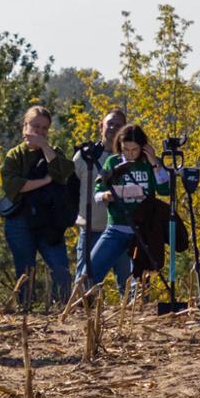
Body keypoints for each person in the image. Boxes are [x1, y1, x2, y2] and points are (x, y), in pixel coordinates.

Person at [0, 106, 74, 310]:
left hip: (49, 222)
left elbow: (63, 174)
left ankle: (63, 308)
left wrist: (45, 147)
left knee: (60, 269)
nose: (39, 132)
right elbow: (14, 186)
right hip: (20, 221)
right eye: (35, 126)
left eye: (44, 128)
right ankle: (26, 310)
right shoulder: (15, 155)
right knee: (25, 270)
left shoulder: (54, 152)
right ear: (25, 127)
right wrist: (45, 180)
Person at [84, 124, 169, 298]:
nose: (130, 153)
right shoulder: (113, 162)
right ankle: (86, 302)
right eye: (126, 149)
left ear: (143, 147)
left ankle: (136, 309)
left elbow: (165, 189)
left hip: (144, 229)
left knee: (139, 278)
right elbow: (97, 193)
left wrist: (154, 162)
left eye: (134, 149)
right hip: (117, 225)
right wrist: (106, 195)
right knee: (91, 269)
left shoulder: (150, 163)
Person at [72, 109, 127, 284]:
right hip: (91, 231)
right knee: (83, 287)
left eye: (119, 125)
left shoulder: (130, 158)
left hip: (122, 231)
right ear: (100, 126)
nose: (113, 128)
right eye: (110, 123)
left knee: (130, 288)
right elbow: (71, 189)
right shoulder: (83, 157)